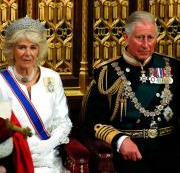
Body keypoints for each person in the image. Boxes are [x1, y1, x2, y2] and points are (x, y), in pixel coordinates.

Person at [82, 11, 180, 173]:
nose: (146, 44)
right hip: (128, 156)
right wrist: (120, 140)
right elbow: (91, 122)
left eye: (150, 38)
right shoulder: (106, 74)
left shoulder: (172, 68)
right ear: (126, 37)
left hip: (170, 152)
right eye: (140, 37)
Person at [0, 16, 72, 173]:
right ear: (11, 49)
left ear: (40, 49)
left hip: (49, 158)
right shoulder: (1, 83)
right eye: (22, 47)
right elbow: (4, 128)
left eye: (33, 47)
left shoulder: (52, 77)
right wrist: (23, 148)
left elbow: (62, 121)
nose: (28, 53)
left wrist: (48, 144)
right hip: (15, 157)